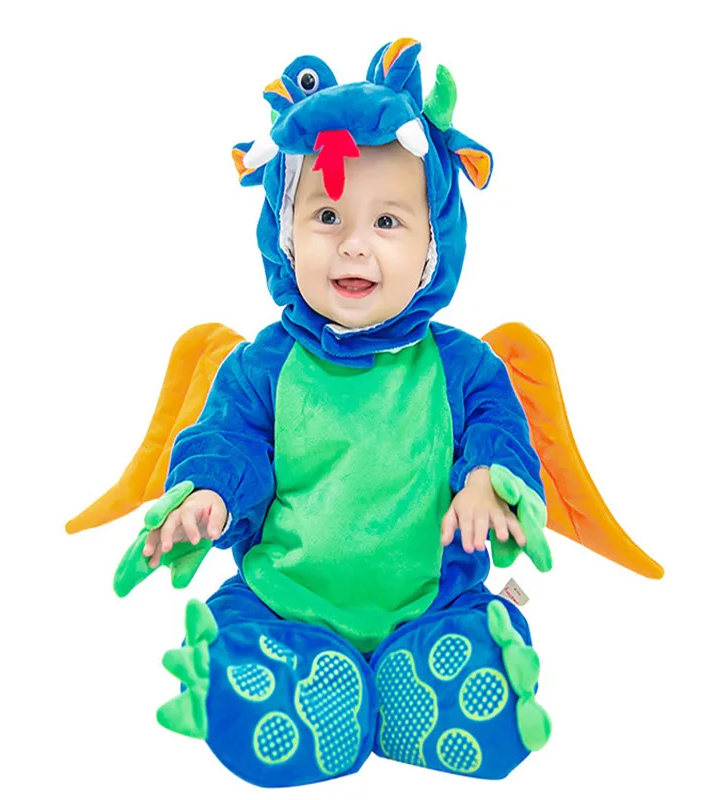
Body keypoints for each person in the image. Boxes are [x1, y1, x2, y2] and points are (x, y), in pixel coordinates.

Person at [130, 39, 553, 787]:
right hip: (286, 598)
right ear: (286, 233)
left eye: (387, 222)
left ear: (434, 240)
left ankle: (436, 678)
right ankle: (281, 680)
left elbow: (498, 427)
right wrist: (208, 495)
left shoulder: (463, 367)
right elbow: (227, 441)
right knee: (237, 625)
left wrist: (489, 478)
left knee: (482, 624)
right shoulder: (261, 366)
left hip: (428, 598)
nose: (354, 246)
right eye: (327, 215)